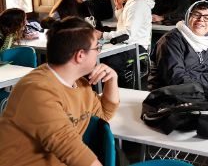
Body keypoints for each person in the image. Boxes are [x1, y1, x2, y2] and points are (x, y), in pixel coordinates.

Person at [0, 17, 119, 166]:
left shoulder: (80, 84)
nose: (99, 52)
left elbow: (103, 115)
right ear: (80, 55)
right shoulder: (37, 91)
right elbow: (73, 152)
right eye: (97, 47)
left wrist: (112, 79)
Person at [100, 0, 154, 87]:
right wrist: (119, 7)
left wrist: (103, 35)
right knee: (101, 58)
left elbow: (127, 33)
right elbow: (125, 23)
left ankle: (122, 89)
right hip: (128, 44)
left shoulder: (137, 4)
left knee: (110, 61)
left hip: (137, 46)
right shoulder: (131, 2)